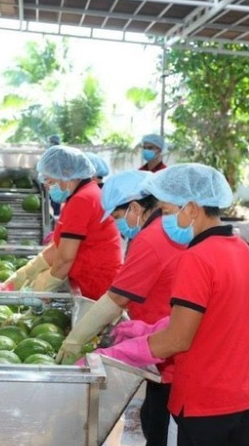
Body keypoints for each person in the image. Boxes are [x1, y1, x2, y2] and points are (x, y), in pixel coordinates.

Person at [84, 164, 249, 446]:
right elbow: (216, 320)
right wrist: (141, 330)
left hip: (202, 405)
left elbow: (177, 339)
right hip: (242, 400)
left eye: (166, 211)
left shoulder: (196, 257)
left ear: (191, 208)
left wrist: (118, 354)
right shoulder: (242, 250)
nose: (164, 219)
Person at [56, 170, 187, 445]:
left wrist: (75, 339)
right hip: (163, 345)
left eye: (118, 217)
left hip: (170, 353)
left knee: (159, 428)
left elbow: (115, 299)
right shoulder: (160, 229)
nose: (118, 226)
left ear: (135, 207)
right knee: (152, 417)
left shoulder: (152, 239)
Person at [4, 145, 122, 299]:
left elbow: (65, 259)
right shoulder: (84, 195)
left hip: (95, 284)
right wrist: (27, 272)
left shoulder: (82, 200)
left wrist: (42, 287)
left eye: (49, 180)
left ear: (66, 174)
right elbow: (58, 247)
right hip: (93, 279)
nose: (47, 186)